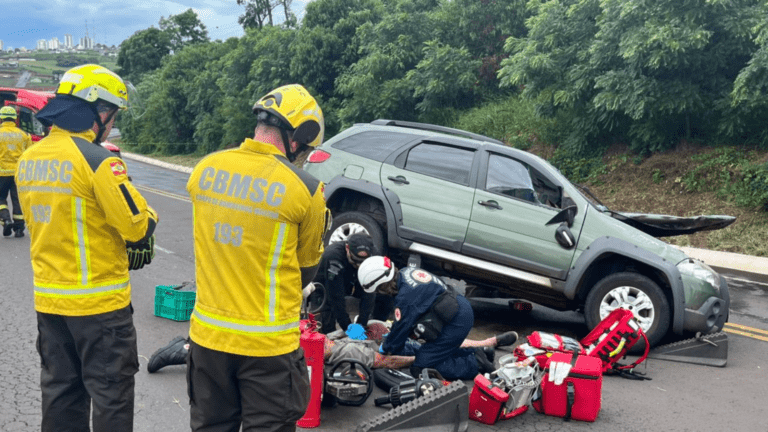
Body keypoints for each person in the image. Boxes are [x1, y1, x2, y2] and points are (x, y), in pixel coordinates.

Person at [16, 64, 158, 432]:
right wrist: (150, 214)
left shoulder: (29, 160)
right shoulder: (98, 161)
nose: (111, 125)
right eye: (112, 115)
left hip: (50, 302)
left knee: (61, 394)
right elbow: (136, 226)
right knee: (111, 397)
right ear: (100, 111)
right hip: (100, 309)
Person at [185, 84, 329, 432]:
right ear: (297, 137)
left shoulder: (205, 170)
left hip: (208, 340)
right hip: (268, 349)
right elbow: (307, 268)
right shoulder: (307, 190)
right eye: (305, 147)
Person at [358, 256, 518, 380]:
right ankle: (477, 352)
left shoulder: (405, 299)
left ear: (382, 283)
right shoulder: (407, 271)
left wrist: (385, 349)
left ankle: (474, 364)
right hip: (457, 308)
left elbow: (400, 332)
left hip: (455, 321)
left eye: (379, 289)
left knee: (421, 367)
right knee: (430, 346)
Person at [311, 232, 394, 335]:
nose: (358, 265)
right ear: (347, 248)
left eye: (363, 263)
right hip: (327, 286)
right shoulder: (333, 256)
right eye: (355, 261)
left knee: (386, 294)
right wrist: (347, 327)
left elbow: (370, 290)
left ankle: (375, 328)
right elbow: (336, 297)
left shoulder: (374, 255)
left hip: (356, 282)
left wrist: (362, 323)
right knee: (325, 328)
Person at [0, 105, 31, 237]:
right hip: (19, 174)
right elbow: (29, 154)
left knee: (0, 198)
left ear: (1, 119)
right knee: (17, 200)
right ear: (15, 119)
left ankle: (6, 220)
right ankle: (19, 229)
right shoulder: (24, 135)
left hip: (1, 173)